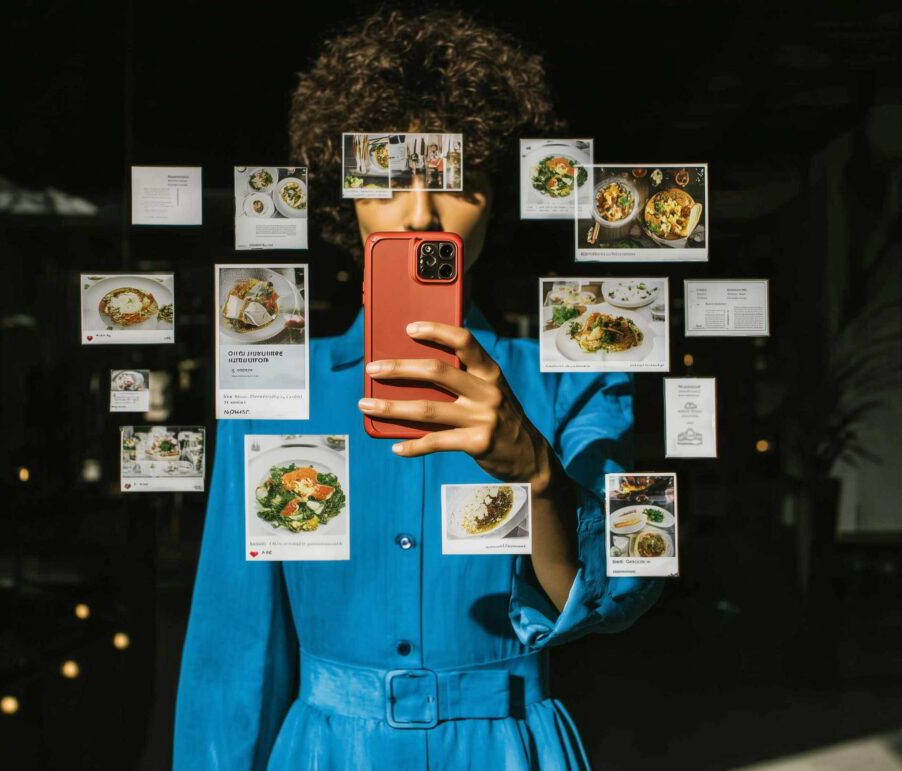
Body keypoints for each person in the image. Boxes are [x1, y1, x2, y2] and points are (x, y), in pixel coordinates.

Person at [174, 9, 662, 770]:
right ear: (349, 200)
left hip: (508, 748)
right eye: (388, 179)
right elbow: (232, 648)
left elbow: (631, 585)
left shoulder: (575, 369)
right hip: (325, 752)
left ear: (495, 197)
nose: (422, 212)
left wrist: (538, 474)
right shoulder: (273, 384)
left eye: (456, 181)